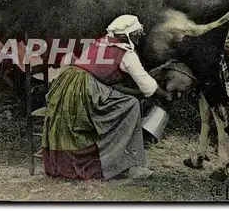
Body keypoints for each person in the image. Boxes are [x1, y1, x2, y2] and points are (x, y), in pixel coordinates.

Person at [41, 15, 172, 180]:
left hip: (66, 83)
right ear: (127, 35)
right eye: (136, 33)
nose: (139, 36)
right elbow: (147, 86)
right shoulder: (127, 54)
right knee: (131, 106)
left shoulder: (101, 42)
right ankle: (126, 164)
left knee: (126, 101)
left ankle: (115, 156)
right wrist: (165, 94)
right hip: (86, 90)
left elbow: (102, 77)